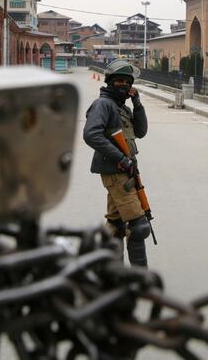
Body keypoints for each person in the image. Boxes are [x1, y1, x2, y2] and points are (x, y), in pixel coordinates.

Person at [83, 59, 151, 267]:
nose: (123, 85)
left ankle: (108, 269)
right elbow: (91, 134)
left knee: (116, 224)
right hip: (117, 171)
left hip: (125, 171)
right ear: (109, 82)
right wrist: (121, 159)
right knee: (139, 225)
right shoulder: (103, 104)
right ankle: (138, 278)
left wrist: (137, 104)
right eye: (119, 80)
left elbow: (140, 132)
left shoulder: (121, 107)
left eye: (127, 82)